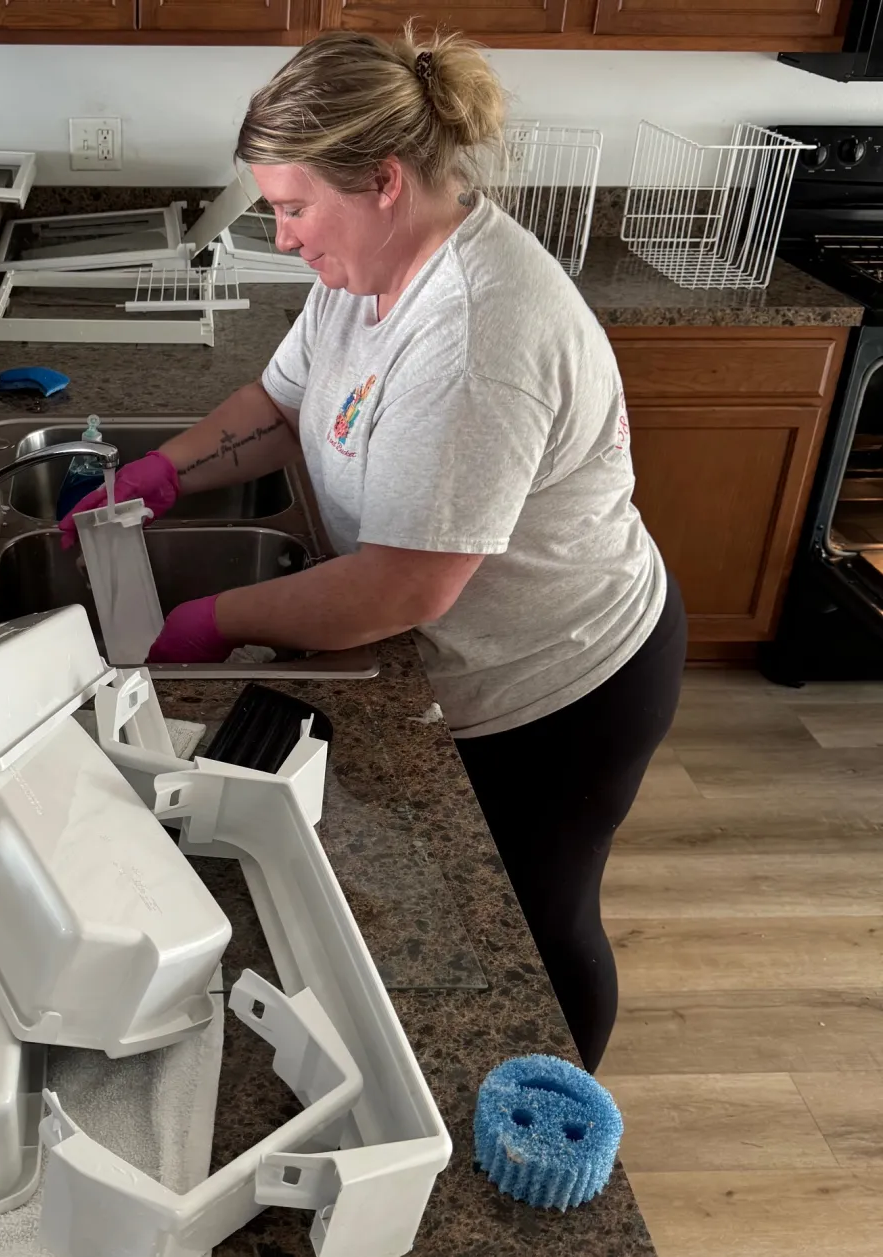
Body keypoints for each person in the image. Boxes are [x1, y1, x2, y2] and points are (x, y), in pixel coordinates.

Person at [59, 26, 687, 1074]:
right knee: (474, 915)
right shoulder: (368, 269)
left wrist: (208, 624)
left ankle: (550, 1113)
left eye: (295, 206)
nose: (284, 233)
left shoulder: (478, 333)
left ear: (382, 181)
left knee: (537, 919)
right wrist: (152, 478)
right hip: (474, 654)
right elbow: (279, 400)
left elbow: (404, 585)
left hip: (562, 684)